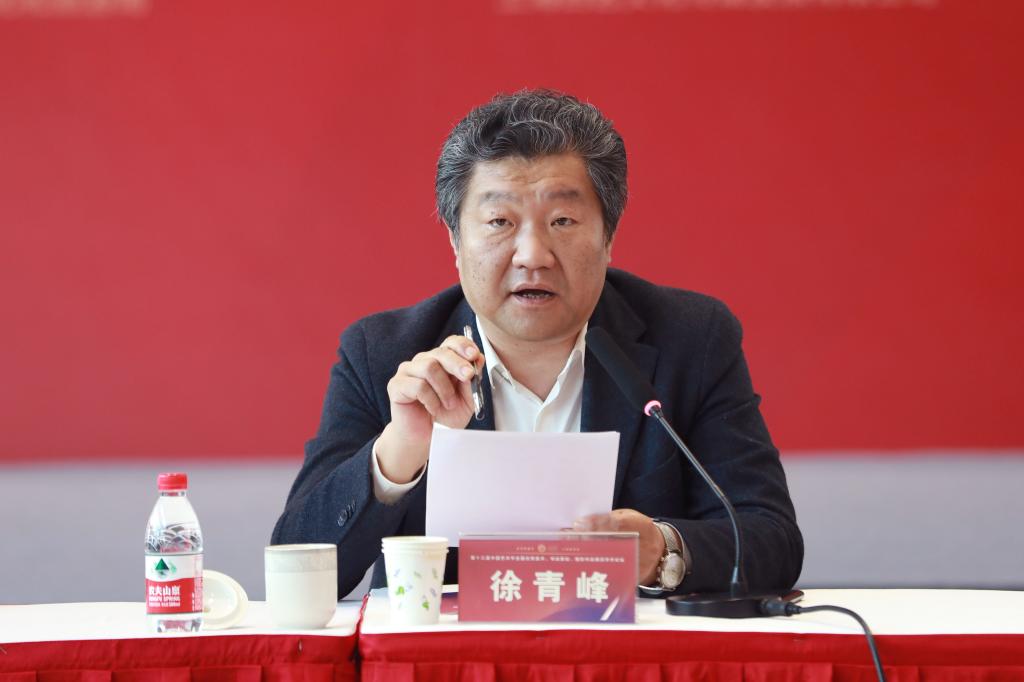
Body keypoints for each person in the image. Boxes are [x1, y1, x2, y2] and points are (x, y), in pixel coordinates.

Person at [271, 89, 803, 599]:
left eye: (562, 221)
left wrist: (663, 550)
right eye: (499, 222)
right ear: (456, 241)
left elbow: (771, 538)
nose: (532, 255)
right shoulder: (384, 353)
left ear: (608, 237)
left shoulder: (691, 338)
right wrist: (399, 453)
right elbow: (299, 564)